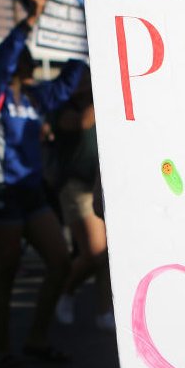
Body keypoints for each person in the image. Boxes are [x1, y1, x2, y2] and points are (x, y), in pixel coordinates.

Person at [0, 0, 86, 368]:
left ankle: (36, 338)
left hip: (31, 190)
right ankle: (4, 350)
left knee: (59, 262)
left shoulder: (37, 97)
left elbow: (71, 80)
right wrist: (27, 23)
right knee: (5, 269)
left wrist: (81, 36)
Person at [51, 69, 115, 332]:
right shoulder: (62, 108)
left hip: (99, 182)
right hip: (76, 187)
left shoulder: (103, 104)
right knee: (95, 252)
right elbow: (82, 123)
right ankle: (65, 291)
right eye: (84, 77)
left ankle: (104, 312)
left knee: (104, 257)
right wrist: (102, 93)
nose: (88, 81)